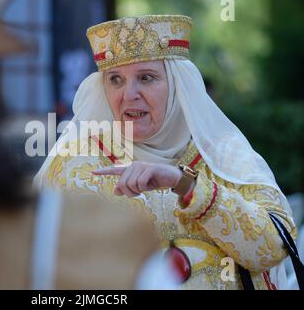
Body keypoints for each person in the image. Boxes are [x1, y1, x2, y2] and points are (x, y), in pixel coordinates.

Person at [35, 15, 298, 290]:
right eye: (115, 79)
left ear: (178, 85)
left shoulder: (225, 156)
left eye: (146, 78)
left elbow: (272, 248)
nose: (128, 94)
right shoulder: (73, 166)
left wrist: (185, 184)